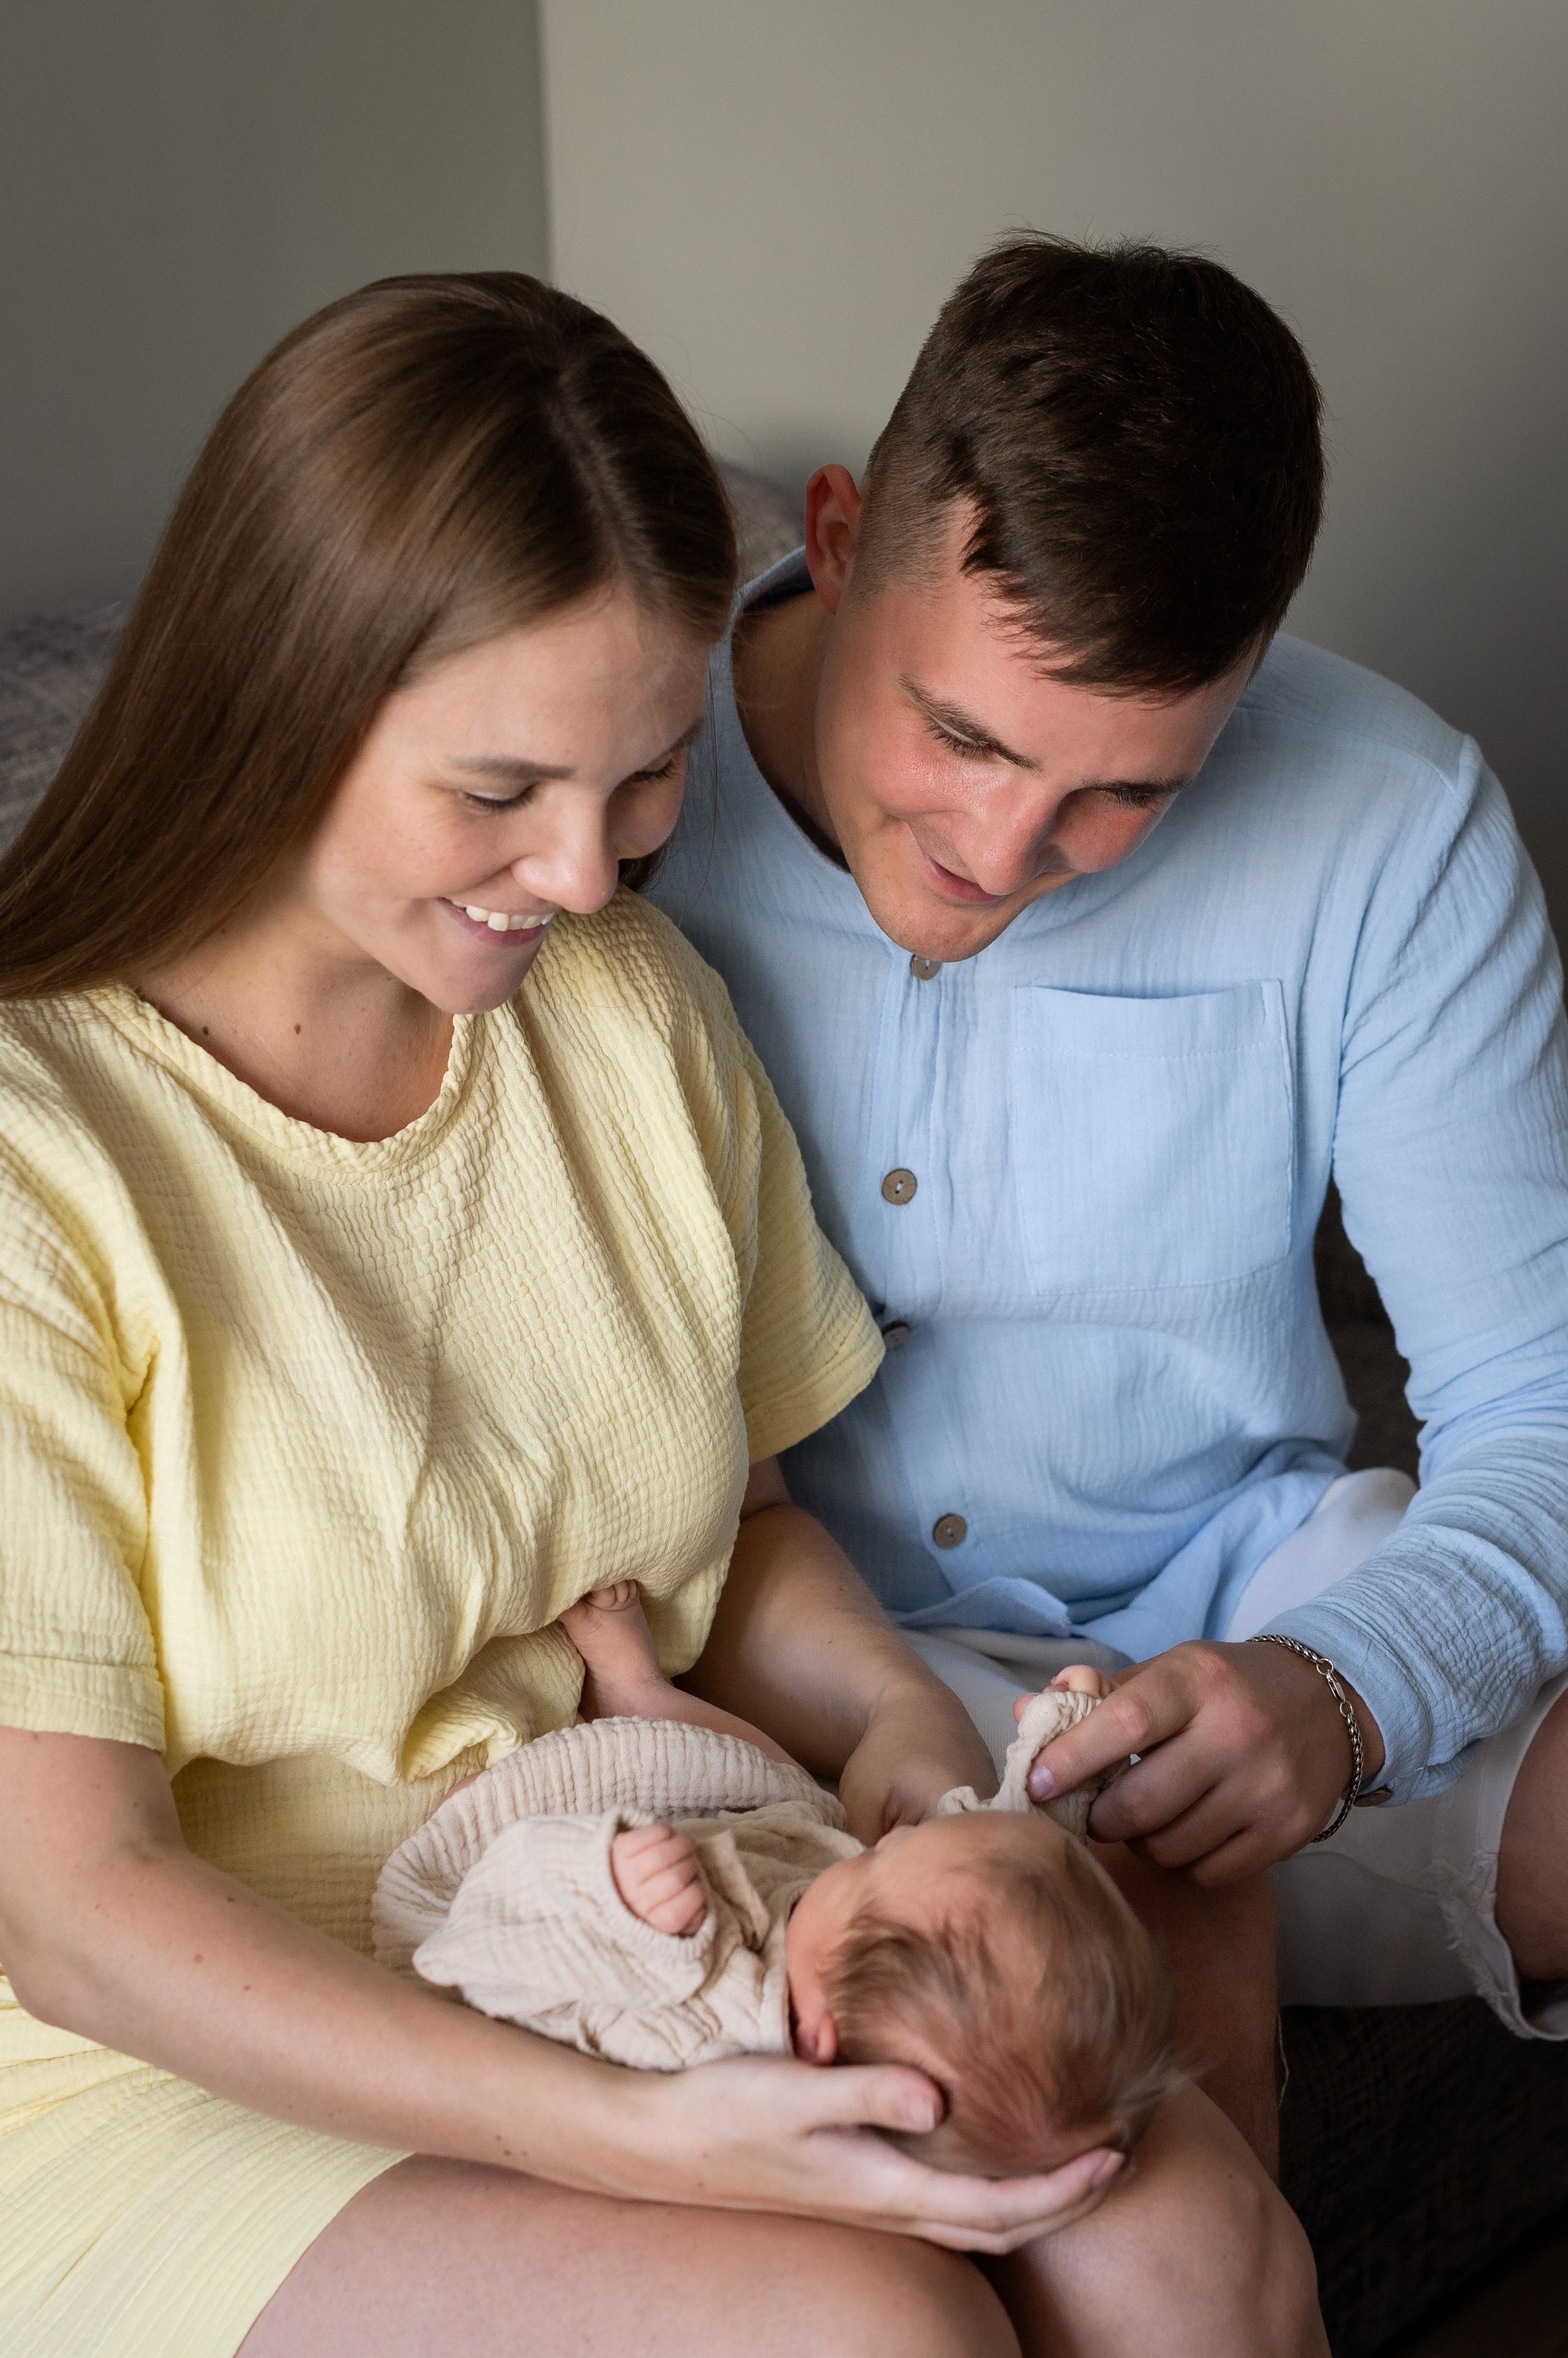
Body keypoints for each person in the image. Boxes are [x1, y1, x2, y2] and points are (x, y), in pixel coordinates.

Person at [0, 272, 1322, 2357]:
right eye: (502, 789)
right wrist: (654, 2134)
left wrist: (890, 1716)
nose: (585, 877)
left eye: (640, 787)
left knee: (1182, 2242)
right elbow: (76, 1909)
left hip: (662, 1881)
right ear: (282, 684)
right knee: (869, 2321)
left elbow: (750, 1524)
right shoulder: (39, 1150)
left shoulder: (621, 1012)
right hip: (194, 2045)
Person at [647, 232, 1568, 2139]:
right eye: (961, 732)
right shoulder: (612, 785)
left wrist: (1342, 1684)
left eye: (1123, 793)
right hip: (784, 1693)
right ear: (835, 532)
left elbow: (1542, 1411)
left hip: (1250, 1614)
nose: (1001, 845)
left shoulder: (1392, 827)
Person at [375, 1584, 1175, 2178]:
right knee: (801, 1804)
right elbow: (997, 1856)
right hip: (743, 1854)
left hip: (529, 1904)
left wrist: (616, 1896)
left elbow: (502, 1968)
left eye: (874, 1868)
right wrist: (1064, 1759)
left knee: (796, 1814)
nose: (888, 1840)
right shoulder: (861, 1972)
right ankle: (642, 1693)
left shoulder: (707, 2035)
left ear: (816, 2040)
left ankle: (632, 1713)